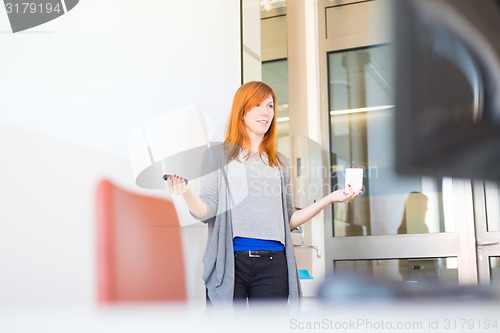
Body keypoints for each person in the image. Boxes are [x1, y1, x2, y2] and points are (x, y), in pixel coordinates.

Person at [167, 81, 361, 306]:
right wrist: (187, 192)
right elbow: (206, 211)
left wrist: (329, 199)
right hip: (232, 262)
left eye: (270, 106)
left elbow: (287, 220)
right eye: (257, 105)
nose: (265, 112)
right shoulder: (217, 156)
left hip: (274, 263)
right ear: (242, 112)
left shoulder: (279, 163)